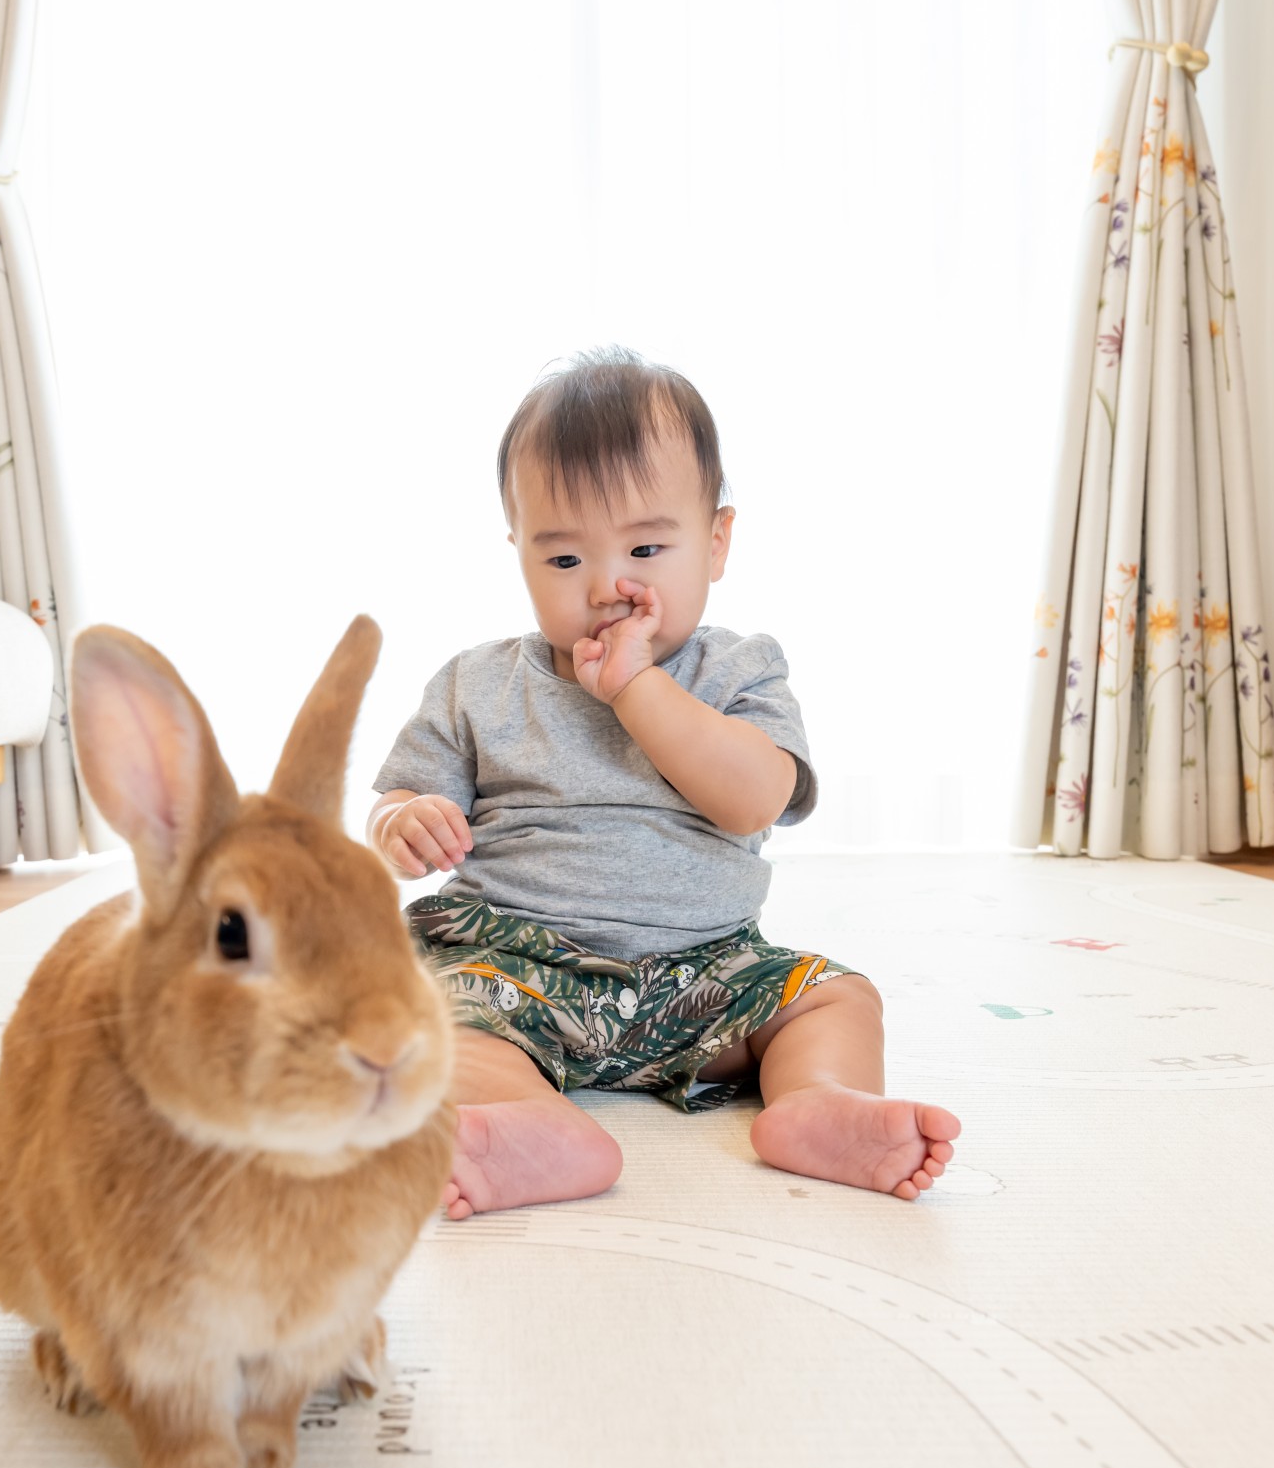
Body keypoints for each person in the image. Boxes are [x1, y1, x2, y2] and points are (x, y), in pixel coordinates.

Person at [367, 347, 960, 1221]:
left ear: (716, 542)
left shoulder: (738, 671)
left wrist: (641, 689)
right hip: (511, 967)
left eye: (646, 547)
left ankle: (818, 1102)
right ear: (519, 555)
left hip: (704, 972)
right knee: (425, 1018)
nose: (609, 586)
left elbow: (754, 798)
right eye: (564, 561)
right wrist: (404, 822)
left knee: (832, 998)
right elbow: (400, 798)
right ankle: (527, 1124)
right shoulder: (477, 685)